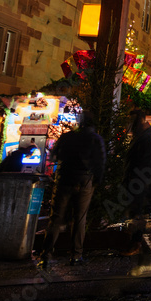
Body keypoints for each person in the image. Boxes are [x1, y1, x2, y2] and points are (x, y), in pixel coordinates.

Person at [37, 111, 105, 268]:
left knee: (56, 217)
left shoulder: (67, 137)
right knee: (80, 218)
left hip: (64, 178)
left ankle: (45, 256)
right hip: (84, 180)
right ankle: (76, 256)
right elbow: (100, 163)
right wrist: (96, 181)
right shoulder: (95, 139)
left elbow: (53, 156)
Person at [121, 110, 151, 272]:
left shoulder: (146, 139)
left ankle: (138, 243)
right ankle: (137, 242)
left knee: (136, 212)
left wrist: (137, 180)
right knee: (135, 212)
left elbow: (144, 164)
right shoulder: (142, 137)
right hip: (137, 181)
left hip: (138, 183)